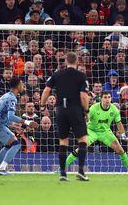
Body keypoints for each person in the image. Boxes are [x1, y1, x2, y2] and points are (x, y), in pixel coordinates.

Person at [40, 52, 90, 181]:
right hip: (75, 109)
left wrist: (41, 105)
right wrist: (86, 110)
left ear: (66, 61)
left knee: (63, 140)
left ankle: (62, 173)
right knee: (83, 140)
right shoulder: (81, 75)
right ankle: (80, 171)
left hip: (60, 110)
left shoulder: (57, 74)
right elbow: (83, 96)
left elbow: (46, 90)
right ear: (77, 61)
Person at [65, 91, 128, 174]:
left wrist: (123, 135)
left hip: (105, 132)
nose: (107, 99)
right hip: (92, 131)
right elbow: (86, 118)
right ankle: (62, 167)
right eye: (105, 97)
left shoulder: (114, 109)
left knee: (119, 149)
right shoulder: (94, 108)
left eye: (109, 97)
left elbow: (119, 123)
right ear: (101, 99)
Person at [0, 77, 38, 175]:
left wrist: (13, 126)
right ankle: (2, 169)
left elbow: (0, 114)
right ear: (17, 86)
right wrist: (27, 122)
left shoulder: (5, 96)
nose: (23, 85)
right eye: (21, 84)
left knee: (8, 145)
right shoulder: (12, 98)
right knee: (16, 144)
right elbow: (10, 116)